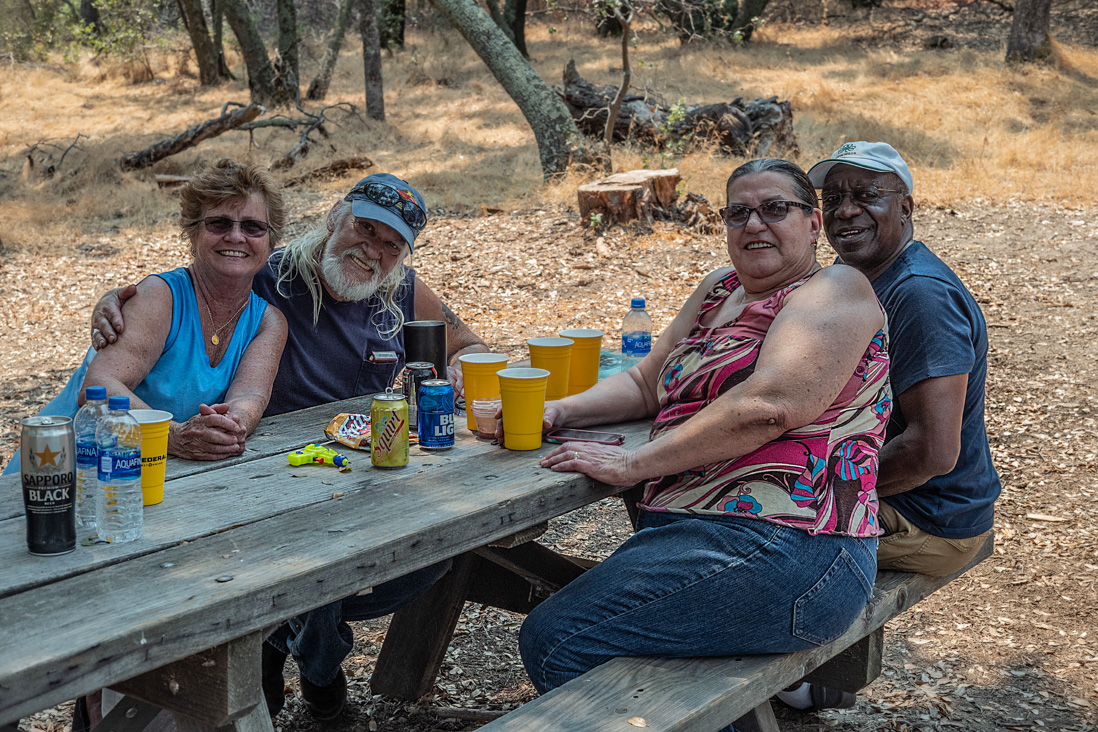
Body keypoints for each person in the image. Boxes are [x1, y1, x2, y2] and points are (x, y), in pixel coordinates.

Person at [90, 172, 490, 721]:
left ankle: (281, 638)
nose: (371, 250)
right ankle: (323, 682)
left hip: (364, 472)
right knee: (316, 573)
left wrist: (465, 368)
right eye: (364, 229)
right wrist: (114, 298)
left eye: (389, 243)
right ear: (334, 217)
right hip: (263, 479)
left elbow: (467, 344)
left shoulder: (403, 291)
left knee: (444, 551)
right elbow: (199, 284)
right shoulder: (269, 276)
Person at [514, 159, 892, 732]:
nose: (754, 224)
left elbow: (769, 406)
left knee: (558, 637)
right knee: (581, 632)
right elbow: (646, 381)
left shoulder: (835, 289)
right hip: (703, 536)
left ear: (814, 223)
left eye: (775, 209)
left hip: (794, 549)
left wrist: (633, 463)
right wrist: (557, 412)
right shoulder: (720, 288)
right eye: (738, 212)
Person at [775, 142, 1002, 713]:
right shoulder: (859, 280)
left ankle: (766, 678)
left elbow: (932, 452)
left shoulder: (919, 295)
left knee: (743, 525)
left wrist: (825, 494)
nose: (848, 210)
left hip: (933, 517)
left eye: (868, 196)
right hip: (910, 497)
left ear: (906, 207)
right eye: (835, 198)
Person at [2, 158, 288, 475]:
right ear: (192, 234)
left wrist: (230, 427)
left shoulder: (268, 322)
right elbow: (99, 387)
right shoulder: (159, 296)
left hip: (143, 477)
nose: (236, 236)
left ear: (270, 241)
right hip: (61, 471)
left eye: (253, 227)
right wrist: (172, 436)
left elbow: (250, 397)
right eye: (218, 223)